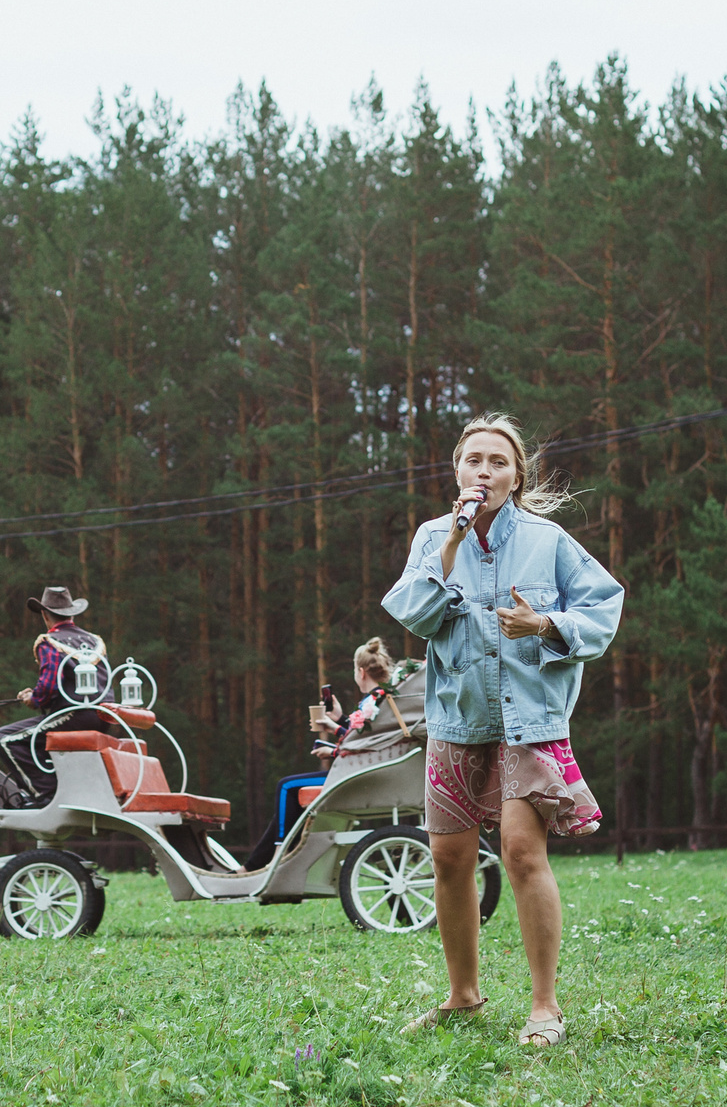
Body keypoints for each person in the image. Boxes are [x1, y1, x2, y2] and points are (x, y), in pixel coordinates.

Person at [383, 413, 623, 1047]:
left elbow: (603, 606)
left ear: (517, 477)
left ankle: (545, 1007)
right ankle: (463, 998)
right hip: (458, 718)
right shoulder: (435, 536)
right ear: (456, 471)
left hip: (529, 718)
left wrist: (544, 625)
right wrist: (453, 546)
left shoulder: (547, 541)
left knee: (521, 851)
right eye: (473, 461)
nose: (483, 471)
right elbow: (414, 611)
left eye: (497, 462)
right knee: (448, 857)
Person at [242, 638, 426, 870]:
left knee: (287, 787)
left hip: (359, 774)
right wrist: (339, 722)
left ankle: (277, 853)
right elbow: (370, 737)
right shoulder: (383, 700)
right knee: (292, 789)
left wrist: (335, 748)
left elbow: (367, 741)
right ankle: (266, 858)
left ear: (360, 672)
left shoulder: (376, 700)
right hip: (370, 770)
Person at [0, 586, 116, 800]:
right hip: (105, 716)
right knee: (34, 738)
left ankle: (46, 794)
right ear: (72, 613)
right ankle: (58, 784)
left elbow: (49, 684)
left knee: (4, 738)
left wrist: (34, 698)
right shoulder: (94, 640)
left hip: (74, 715)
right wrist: (38, 694)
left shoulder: (49, 641)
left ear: (44, 614)